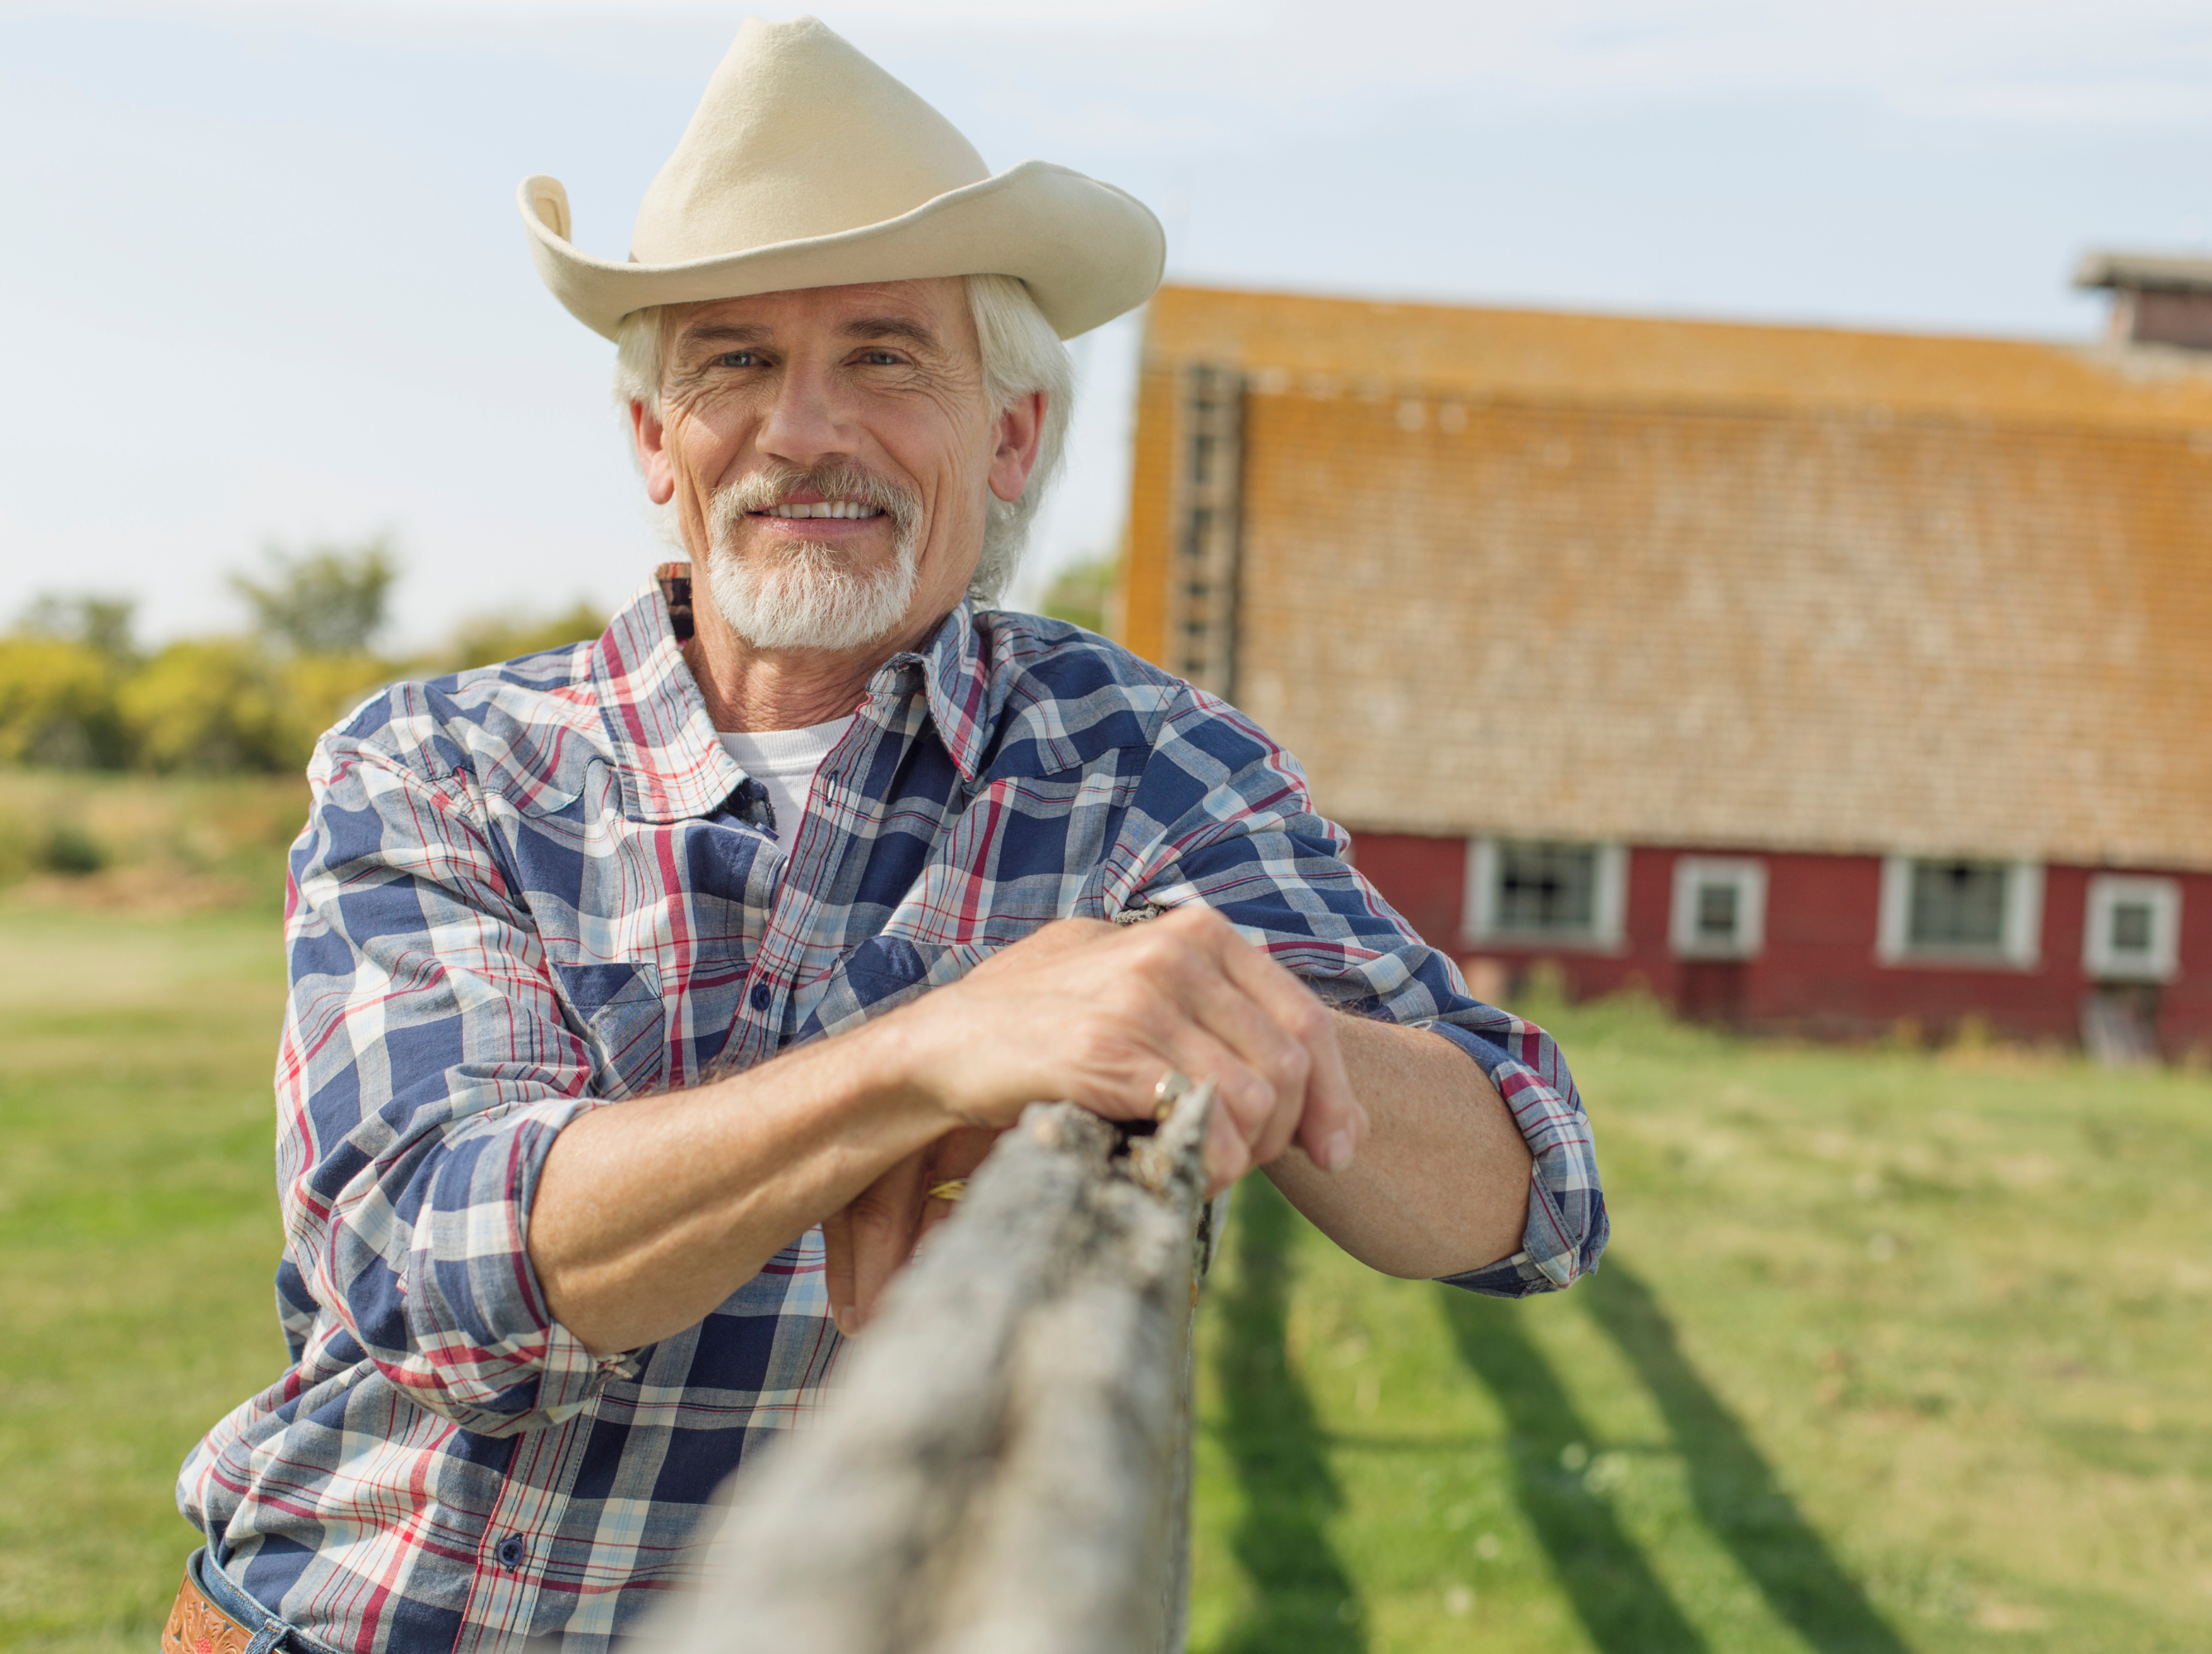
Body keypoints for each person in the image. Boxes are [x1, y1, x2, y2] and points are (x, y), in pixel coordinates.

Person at [166, 17, 1605, 1652]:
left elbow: (1532, 1184)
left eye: (884, 356)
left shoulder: (1138, 768)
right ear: (654, 439)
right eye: (731, 362)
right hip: (336, 1621)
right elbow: (431, 1273)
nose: (801, 428)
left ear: (1011, 435)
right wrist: (935, 1054)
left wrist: (1236, 1027)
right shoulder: (445, 763)